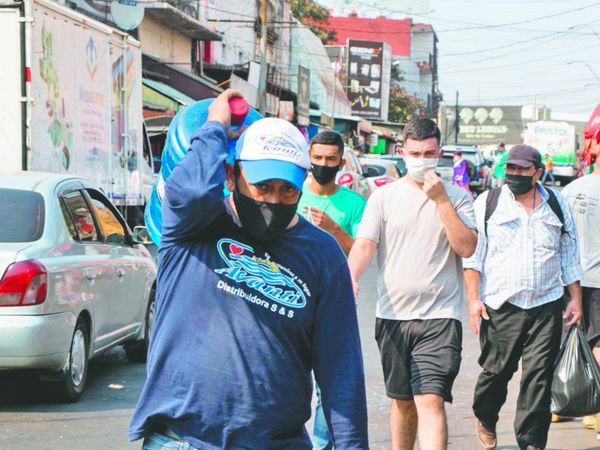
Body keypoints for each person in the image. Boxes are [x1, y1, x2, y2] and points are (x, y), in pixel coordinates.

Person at [129, 90, 369, 450]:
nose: (273, 200)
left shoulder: (323, 255)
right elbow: (190, 190)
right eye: (262, 186)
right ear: (231, 175)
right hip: (182, 442)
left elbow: (341, 373)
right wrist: (215, 127)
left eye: (286, 190)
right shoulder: (194, 226)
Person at [348, 118, 478, 450]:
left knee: (430, 399)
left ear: (441, 153)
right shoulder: (383, 197)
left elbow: (466, 247)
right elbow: (365, 245)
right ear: (403, 152)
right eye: (416, 153)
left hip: (440, 316)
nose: (422, 159)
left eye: (429, 153)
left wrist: (441, 201)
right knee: (403, 401)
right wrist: (349, 277)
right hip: (392, 316)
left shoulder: (458, 198)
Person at [464, 144, 583, 450]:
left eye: (522, 170)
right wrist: (473, 301)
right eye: (511, 169)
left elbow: (569, 254)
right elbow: (473, 258)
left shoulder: (556, 203)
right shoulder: (488, 202)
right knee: (496, 373)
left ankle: (531, 442)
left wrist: (575, 299)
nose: (515, 175)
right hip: (501, 306)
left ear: (537, 173)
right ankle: (486, 416)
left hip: (546, 304)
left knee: (538, 378)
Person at [297, 130, 366, 449]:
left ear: (341, 162)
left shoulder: (353, 203)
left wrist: (333, 229)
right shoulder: (291, 193)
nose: (323, 164)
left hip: (334, 301)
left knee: (331, 382)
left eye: (330, 159)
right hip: (292, 298)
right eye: (318, 158)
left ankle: (323, 444)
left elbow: (360, 251)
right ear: (309, 157)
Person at [562, 157, 600, 433]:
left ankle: (561, 402)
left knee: (567, 337)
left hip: (569, 277)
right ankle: (593, 408)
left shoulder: (571, 189)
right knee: (597, 341)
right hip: (598, 279)